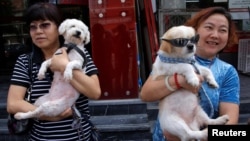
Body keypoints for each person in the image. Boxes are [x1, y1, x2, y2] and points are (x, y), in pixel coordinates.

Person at [140, 6, 239, 141]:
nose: (215, 35)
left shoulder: (228, 72)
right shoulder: (171, 58)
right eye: (209, 27)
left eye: (223, 30)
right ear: (195, 30)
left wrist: (201, 136)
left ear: (228, 36)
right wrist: (179, 81)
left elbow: (231, 124)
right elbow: (146, 94)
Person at [6, 2, 101, 141]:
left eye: (45, 25)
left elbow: (95, 92)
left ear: (59, 28)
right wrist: (46, 114)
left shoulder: (81, 54)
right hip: (41, 138)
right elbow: (13, 104)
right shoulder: (26, 61)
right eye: (33, 27)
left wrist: (63, 65)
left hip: (80, 137)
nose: (38, 31)